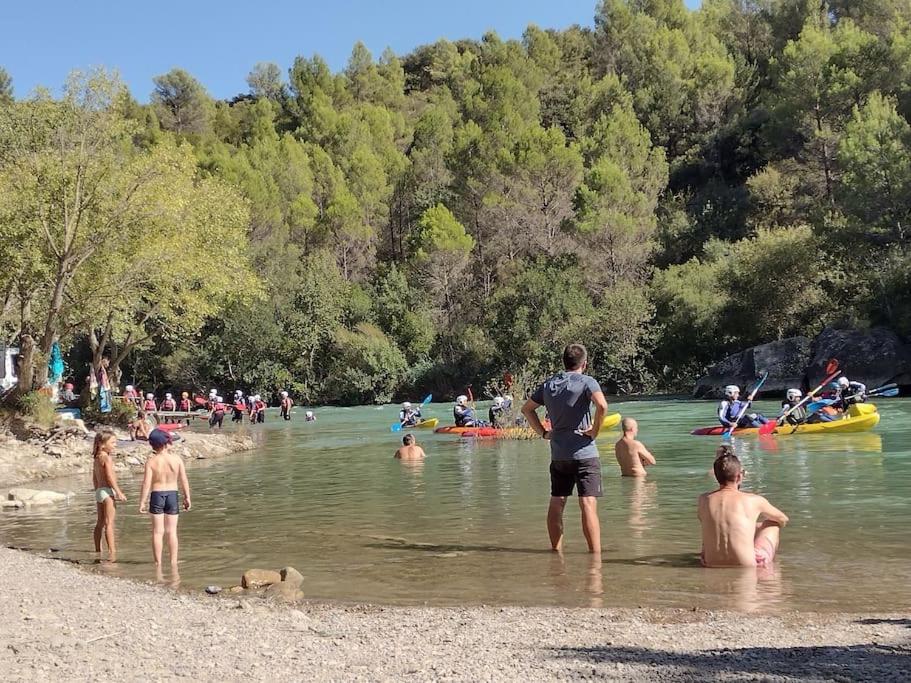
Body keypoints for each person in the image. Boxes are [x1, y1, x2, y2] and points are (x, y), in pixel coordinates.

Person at [521, 343, 608, 554]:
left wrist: (543, 432)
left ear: (564, 362)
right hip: (584, 452)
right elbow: (602, 406)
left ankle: (556, 552)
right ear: (584, 364)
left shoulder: (549, 384)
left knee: (557, 501)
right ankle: (594, 557)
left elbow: (527, 409)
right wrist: (595, 430)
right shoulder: (588, 382)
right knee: (587, 504)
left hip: (559, 454)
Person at [698, 446, 789, 568]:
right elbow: (783, 519)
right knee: (772, 524)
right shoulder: (754, 500)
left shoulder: (703, 500)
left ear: (716, 476)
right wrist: (759, 527)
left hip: (710, 562)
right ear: (739, 476)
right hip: (746, 564)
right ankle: (769, 573)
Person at [138, 429, 192, 567]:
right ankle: (173, 562)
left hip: (157, 494)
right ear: (167, 443)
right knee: (172, 531)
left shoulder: (151, 462)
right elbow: (183, 480)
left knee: (157, 532)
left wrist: (142, 502)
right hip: (172, 495)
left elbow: (146, 483)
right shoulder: (177, 460)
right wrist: (187, 497)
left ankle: (158, 563)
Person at [92, 430, 127, 561]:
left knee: (99, 522)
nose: (115, 445)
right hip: (107, 491)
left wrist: (96, 490)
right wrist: (118, 492)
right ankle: (112, 552)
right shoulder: (106, 457)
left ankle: (98, 550)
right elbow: (110, 477)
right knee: (109, 523)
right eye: (112, 442)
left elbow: (94, 477)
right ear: (102, 444)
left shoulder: (96, 457)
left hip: (100, 491)